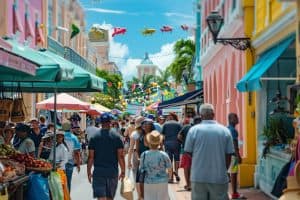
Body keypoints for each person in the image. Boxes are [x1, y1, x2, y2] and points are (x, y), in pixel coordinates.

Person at [184, 103, 235, 200]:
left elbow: (188, 152)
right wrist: (224, 169)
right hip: (219, 176)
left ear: (201, 116)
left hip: (198, 176)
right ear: (213, 114)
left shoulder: (193, 130)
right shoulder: (224, 131)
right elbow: (229, 154)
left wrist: (198, 159)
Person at [87, 113, 125, 200]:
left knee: (101, 197)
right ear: (110, 122)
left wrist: (88, 171)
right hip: (112, 172)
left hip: (98, 172)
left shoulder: (94, 137)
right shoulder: (117, 137)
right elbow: (121, 156)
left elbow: (90, 157)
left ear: (100, 122)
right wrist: (123, 170)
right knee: (109, 197)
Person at [139, 130, 171, 200]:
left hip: (148, 182)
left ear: (149, 142)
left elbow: (141, 169)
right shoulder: (164, 154)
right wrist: (169, 177)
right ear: (159, 142)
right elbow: (170, 169)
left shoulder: (144, 154)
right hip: (162, 182)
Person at [178, 115, 202, 191]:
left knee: (187, 167)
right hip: (197, 151)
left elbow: (179, 136)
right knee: (193, 167)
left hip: (187, 150)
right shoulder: (202, 128)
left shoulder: (187, 127)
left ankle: (188, 184)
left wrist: (184, 142)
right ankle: (192, 184)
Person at [161, 112, 182, 183]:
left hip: (168, 143)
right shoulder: (178, 124)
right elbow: (180, 135)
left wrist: (162, 144)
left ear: (170, 117)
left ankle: (170, 177)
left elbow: (162, 135)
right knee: (177, 159)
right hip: (177, 143)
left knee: (169, 160)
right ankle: (176, 172)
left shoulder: (165, 124)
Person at [228, 113, 244, 199]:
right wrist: (238, 156)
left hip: (228, 155)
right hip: (233, 155)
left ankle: (234, 192)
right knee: (234, 173)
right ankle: (234, 193)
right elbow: (235, 144)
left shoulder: (228, 129)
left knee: (232, 173)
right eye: (235, 117)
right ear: (230, 119)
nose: (237, 119)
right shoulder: (233, 130)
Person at [127, 116, 144, 200]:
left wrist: (128, 161)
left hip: (135, 155)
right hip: (146, 155)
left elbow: (130, 148)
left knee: (136, 175)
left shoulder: (134, 133)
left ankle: (140, 196)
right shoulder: (148, 132)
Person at [63, 122, 81, 192]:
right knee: (68, 182)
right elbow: (77, 153)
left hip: (59, 163)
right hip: (69, 162)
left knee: (60, 182)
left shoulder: (59, 136)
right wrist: (78, 164)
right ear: (70, 128)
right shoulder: (74, 138)